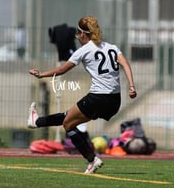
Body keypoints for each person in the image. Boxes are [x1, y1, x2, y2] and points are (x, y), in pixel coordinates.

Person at [27, 16, 137, 174]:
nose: (77, 37)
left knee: (68, 125)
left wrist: (41, 74)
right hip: (114, 101)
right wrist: (131, 86)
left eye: (78, 34)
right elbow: (125, 63)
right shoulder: (112, 47)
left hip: (98, 97)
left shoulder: (84, 50)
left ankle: (92, 160)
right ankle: (36, 121)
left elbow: (61, 70)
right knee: (69, 116)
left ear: (84, 34)